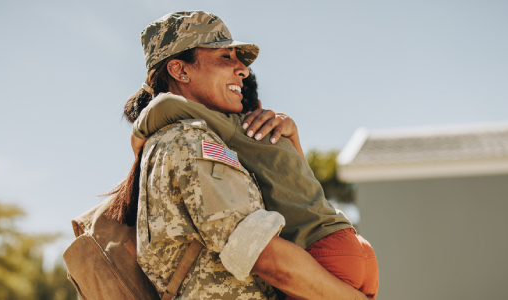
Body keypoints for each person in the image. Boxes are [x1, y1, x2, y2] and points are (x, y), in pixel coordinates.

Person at [108, 11, 374, 300]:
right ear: (180, 70)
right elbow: (265, 257)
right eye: (225, 57)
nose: (243, 70)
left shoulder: (201, 136)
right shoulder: (189, 139)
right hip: (348, 247)